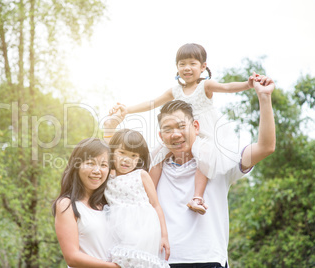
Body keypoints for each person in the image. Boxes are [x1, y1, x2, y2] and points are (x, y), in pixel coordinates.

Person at [108, 75, 276, 267]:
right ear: (161, 136)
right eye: (168, 129)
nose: (176, 134)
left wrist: (264, 97)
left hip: (208, 260)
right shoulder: (150, 169)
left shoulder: (218, 162)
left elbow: (265, 147)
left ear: (196, 127)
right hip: (160, 261)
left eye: (181, 126)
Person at [110, 43, 260, 215]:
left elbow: (227, 87)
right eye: (182, 64)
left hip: (204, 134)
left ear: (203, 67)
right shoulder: (175, 90)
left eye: (192, 63)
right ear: (177, 67)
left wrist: (248, 84)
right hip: (180, 135)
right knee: (157, 157)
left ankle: (197, 197)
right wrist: (127, 110)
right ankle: (148, 197)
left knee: (203, 157)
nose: (187, 68)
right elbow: (152, 103)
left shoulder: (206, 86)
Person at [102, 125, 171, 267]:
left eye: (133, 156)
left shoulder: (141, 175)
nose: (127, 160)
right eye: (122, 152)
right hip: (116, 228)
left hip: (143, 229)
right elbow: (104, 143)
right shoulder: (107, 175)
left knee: (138, 262)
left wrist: (164, 235)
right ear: (112, 151)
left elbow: (156, 205)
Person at [53, 138, 120, 268]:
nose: (97, 170)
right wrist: (114, 267)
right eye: (90, 163)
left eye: (103, 165)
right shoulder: (67, 205)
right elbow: (72, 257)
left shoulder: (111, 202)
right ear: (76, 166)